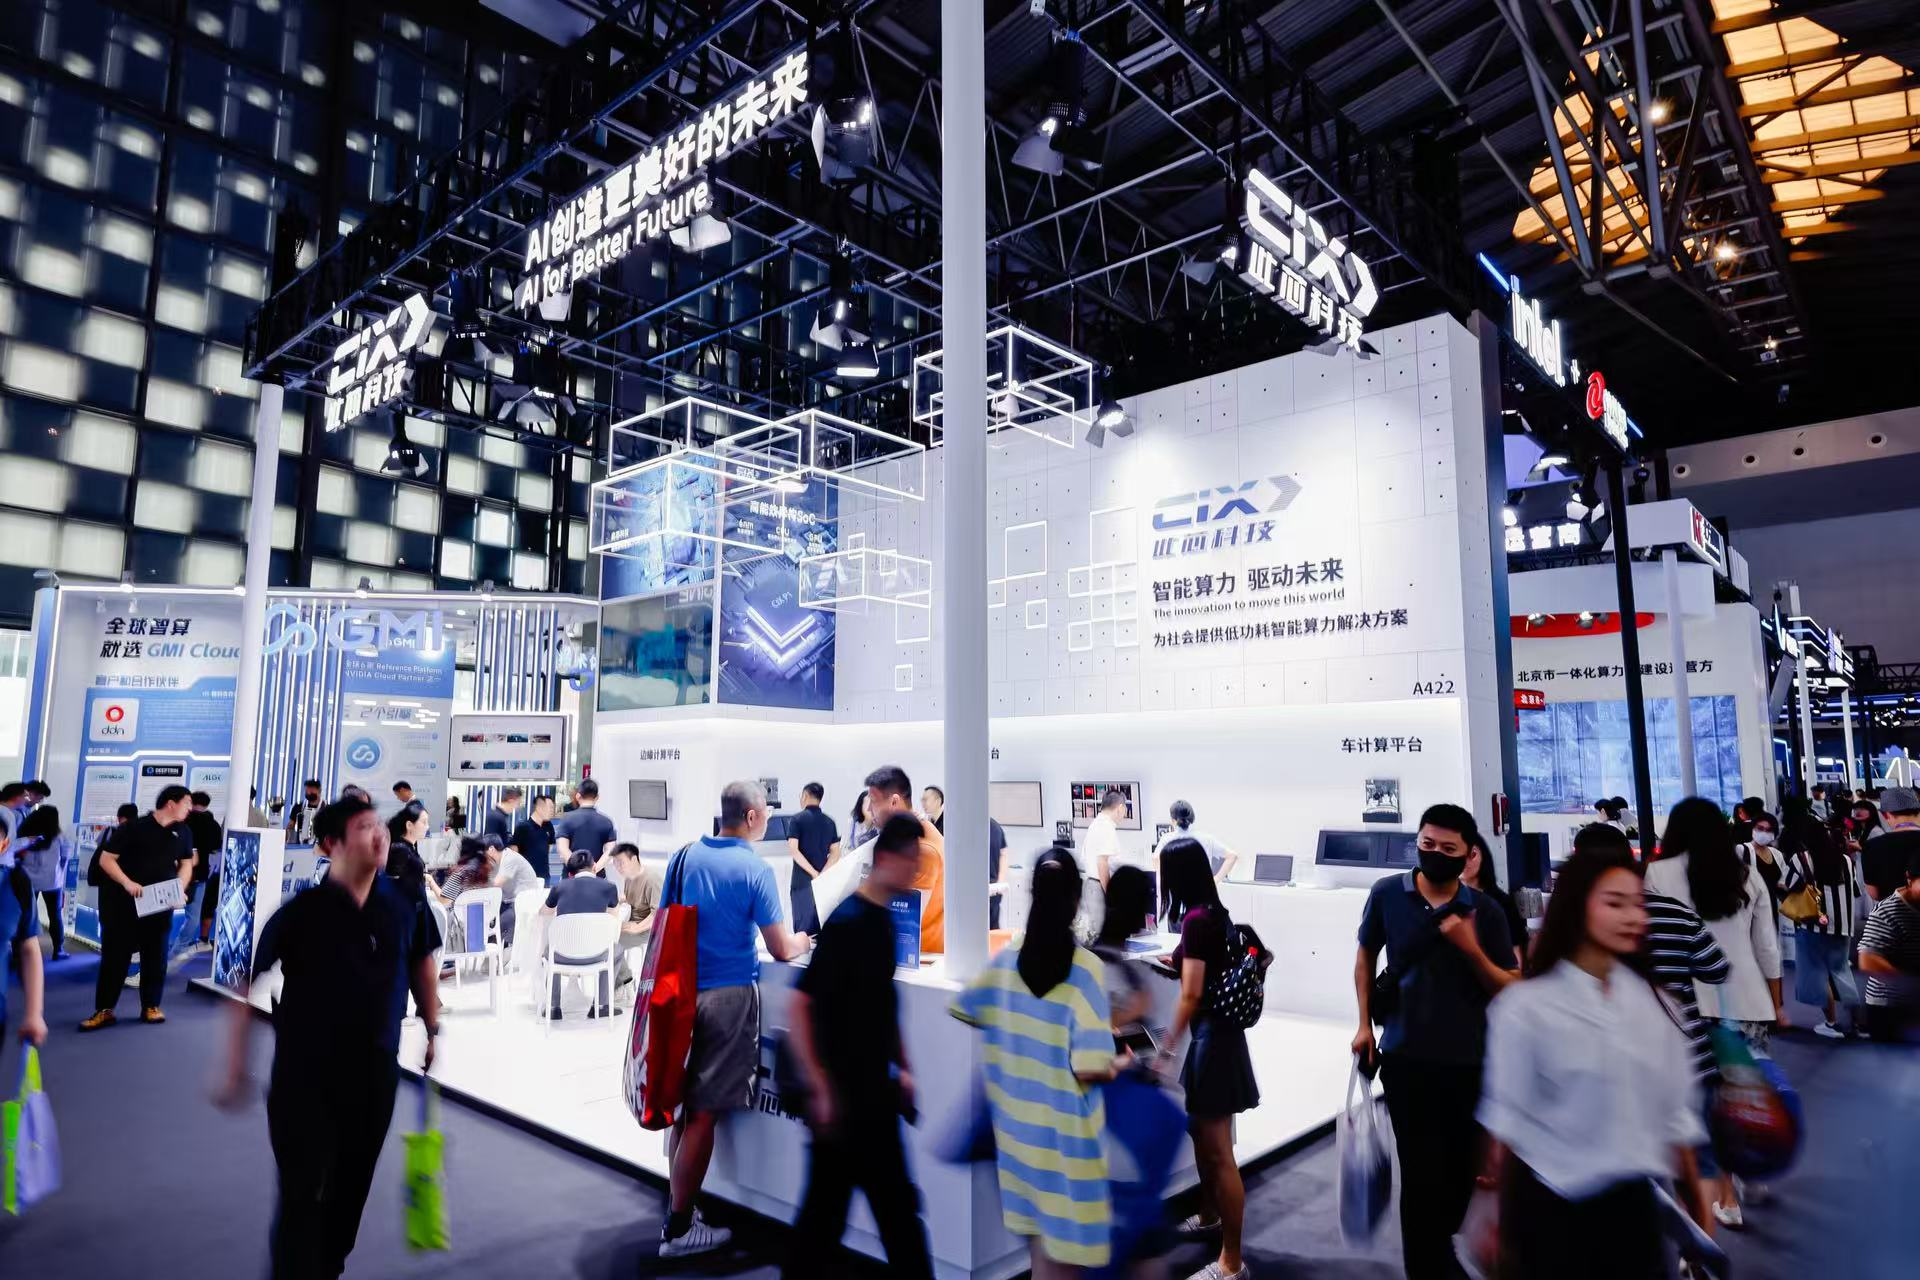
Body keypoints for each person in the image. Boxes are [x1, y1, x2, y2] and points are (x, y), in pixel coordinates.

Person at [214, 794, 441, 1280]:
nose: (379, 835)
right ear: (331, 844)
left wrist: (431, 1023)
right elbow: (244, 985)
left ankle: (328, 1267)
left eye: (379, 825)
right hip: (305, 1080)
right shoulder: (302, 912)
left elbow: (421, 959)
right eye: (364, 827)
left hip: (374, 1076)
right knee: (302, 1196)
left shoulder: (404, 903)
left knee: (349, 1191)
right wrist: (235, 1067)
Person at [1477, 843, 1704, 1278]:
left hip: (1635, 1213)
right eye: (1615, 903)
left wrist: (1695, 1213)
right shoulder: (1526, 1009)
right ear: (1577, 906)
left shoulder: (1657, 1006)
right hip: (1550, 1213)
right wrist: (1501, 1226)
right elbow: (1508, 1128)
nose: (1633, 916)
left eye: (1637, 903)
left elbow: (1675, 1119)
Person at [1352, 802, 1518, 1280]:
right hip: (1406, 1059)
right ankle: (1428, 1266)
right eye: (1427, 844)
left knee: (1460, 1173)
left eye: (1448, 848)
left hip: (1470, 1062)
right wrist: (1364, 1024)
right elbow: (1365, 956)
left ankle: (1436, 1248)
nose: (1435, 854)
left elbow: (1510, 985)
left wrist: (1471, 949)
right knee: (1421, 1174)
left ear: (1469, 854)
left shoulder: (1485, 910)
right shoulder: (1387, 893)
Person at [659, 780, 813, 1258]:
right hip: (728, 999)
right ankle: (678, 1230)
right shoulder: (755, 869)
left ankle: (680, 1208)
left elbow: (666, 922)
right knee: (705, 1114)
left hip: (680, 995)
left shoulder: (685, 857)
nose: (768, 820)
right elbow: (781, 948)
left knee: (683, 1111)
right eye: (766, 812)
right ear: (751, 816)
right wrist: (805, 939)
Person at [951, 849, 1120, 1277]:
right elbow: (1091, 1066)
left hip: (1018, 1140)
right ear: (1077, 900)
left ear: (1032, 894)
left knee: (1041, 1260)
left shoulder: (1007, 960)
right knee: (1063, 1266)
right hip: (1068, 1146)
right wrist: (1120, 1063)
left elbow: (967, 1007)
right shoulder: (1086, 970)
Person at [783, 813, 934, 1280]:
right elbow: (800, 1006)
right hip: (844, 1097)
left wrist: (903, 1066)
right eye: (910, 860)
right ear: (886, 859)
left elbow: (882, 1005)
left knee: (889, 1215)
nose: (916, 871)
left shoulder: (883, 922)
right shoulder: (848, 922)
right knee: (831, 1219)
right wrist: (820, 1086)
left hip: (872, 1097)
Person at [1641, 797, 1783, 1228]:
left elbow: (1656, 941)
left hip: (1688, 1005)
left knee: (1702, 1108)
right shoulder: (1746, 873)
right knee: (1743, 1096)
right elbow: (1767, 946)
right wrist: (1776, 1002)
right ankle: (1749, 1173)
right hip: (1747, 1002)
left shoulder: (1659, 873)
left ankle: (1726, 1198)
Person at [1614, 818, 1729, 1232]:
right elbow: (1715, 968)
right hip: (1686, 1052)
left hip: (1620, 1064)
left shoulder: (1584, 927)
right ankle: (1699, 1246)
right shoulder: (1677, 912)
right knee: (1695, 1159)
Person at [1159, 836, 1257, 1280]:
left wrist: (1166, 1046)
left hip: (1213, 1042)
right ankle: (1208, 1213)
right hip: (1218, 1039)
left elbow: (1192, 993)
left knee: (1218, 1152)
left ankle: (1231, 1262)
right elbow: (1194, 963)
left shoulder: (1197, 920)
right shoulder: (1213, 913)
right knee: (1204, 1136)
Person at [81, 784, 196, 1030]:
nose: (190, 808)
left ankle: (151, 1006)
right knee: (115, 958)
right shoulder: (134, 828)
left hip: (159, 906)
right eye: (186, 803)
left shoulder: (184, 831)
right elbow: (106, 860)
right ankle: (104, 1010)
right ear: (171, 803)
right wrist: (127, 882)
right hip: (124, 905)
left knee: (156, 957)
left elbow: (186, 863)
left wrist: (179, 889)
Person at [1777, 813, 1864, 1039]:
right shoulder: (1845, 860)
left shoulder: (1801, 859)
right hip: (1843, 926)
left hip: (1813, 925)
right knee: (1841, 973)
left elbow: (1786, 885)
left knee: (1818, 975)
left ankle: (1831, 1023)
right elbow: (1855, 891)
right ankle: (1857, 1024)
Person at [865, 766, 945, 956]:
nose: (868, 809)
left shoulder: (923, 849)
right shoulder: (906, 839)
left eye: (873, 801)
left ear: (894, 802)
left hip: (920, 955)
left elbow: (905, 921)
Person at [539, 850, 623, 1018]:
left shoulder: (559, 887)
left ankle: (553, 1007)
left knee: (550, 950)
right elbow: (613, 919)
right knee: (617, 949)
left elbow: (543, 912)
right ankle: (601, 1005)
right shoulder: (609, 887)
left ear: (571, 872)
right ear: (594, 867)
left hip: (562, 956)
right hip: (596, 955)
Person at [1857, 842, 1920, 1042]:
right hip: (1890, 1007)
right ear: (1909, 879)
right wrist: (1910, 983)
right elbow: (1868, 960)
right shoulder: (1887, 911)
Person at [16, 802, 74, 961]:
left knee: (26, 915)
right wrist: (59, 870)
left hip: (28, 881)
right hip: (52, 882)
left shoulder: (25, 834)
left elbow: (17, 855)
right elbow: (65, 857)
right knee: (55, 916)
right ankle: (58, 950)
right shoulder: (59, 837)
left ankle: (19, 951)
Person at [1463, 832, 1527, 969]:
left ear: (1483, 857)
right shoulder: (1446, 902)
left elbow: (1516, 955)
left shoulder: (1501, 903)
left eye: (1471, 854)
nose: (1465, 861)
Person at [786, 781, 841, 935]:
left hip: (801, 882)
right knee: (820, 929)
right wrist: (821, 874)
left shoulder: (796, 820)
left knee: (803, 932)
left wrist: (813, 873)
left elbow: (794, 850)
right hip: (823, 883)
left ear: (805, 795)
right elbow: (835, 853)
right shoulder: (830, 822)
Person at [605, 842, 662, 965]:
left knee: (608, 942)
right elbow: (631, 897)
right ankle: (622, 975)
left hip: (647, 930)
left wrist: (637, 928)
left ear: (634, 859)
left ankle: (622, 976)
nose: (618, 867)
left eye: (621, 863)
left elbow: (658, 914)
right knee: (603, 932)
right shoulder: (629, 877)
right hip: (632, 922)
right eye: (615, 863)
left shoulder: (652, 879)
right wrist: (619, 899)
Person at [1860, 786, 1920, 903]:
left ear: (1886, 815)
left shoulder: (1872, 846)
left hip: (1893, 911)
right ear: (1918, 811)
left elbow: (1874, 893)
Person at [489, 832, 544, 946]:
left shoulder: (510, 858)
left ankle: (500, 951)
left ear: (491, 849)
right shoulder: (496, 862)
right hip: (509, 901)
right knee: (488, 920)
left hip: (523, 902)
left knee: (497, 928)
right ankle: (498, 950)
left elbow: (496, 884)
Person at [554, 777, 617, 871]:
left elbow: (562, 848)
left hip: (571, 876)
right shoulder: (606, 822)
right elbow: (611, 850)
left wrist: (576, 868)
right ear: (597, 797)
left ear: (578, 796)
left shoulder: (567, 819)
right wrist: (595, 869)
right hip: (597, 876)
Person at [1167, 799, 1239, 882]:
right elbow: (1232, 856)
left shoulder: (1168, 839)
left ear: (1173, 820)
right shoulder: (1206, 839)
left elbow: (1156, 860)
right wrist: (1216, 880)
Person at [187, 790, 223, 947]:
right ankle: (203, 939)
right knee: (206, 906)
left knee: (186, 912)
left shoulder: (185, 821)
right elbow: (217, 847)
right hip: (208, 871)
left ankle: (182, 945)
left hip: (185, 872)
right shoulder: (213, 824)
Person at [1086, 788, 1135, 887]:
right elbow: (1102, 863)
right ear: (1120, 808)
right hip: (1100, 886)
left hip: (1093, 884)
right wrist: (1109, 893)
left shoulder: (1097, 823)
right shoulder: (1106, 827)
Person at [384, 803, 431, 906]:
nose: (427, 827)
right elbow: (395, 886)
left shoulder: (407, 847)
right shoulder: (400, 850)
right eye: (424, 822)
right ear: (409, 825)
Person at [510, 792, 559, 883]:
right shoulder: (523, 827)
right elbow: (513, 852)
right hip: (525, 877)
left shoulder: (548, 826)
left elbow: (549, 847)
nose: (552, 811)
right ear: (539, 807)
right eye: (550, 808)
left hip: (544, 875)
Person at [287, 779, 323, 843]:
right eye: (307, 791)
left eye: (311, 791)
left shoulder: (326, 808)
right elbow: (290, 826)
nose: (308, 793)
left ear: (319, 790)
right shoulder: (298, 807)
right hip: (300, 845)